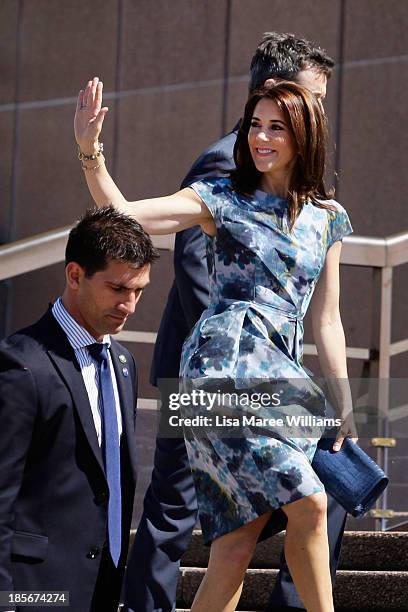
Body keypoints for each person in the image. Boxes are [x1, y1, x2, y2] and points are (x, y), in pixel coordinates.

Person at [74, 68, 356, 612]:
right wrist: (92, 152)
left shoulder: (328, 218)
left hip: (281, 379)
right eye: (256, 125)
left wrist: (342, 401)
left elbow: (329, 320)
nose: (261, 137)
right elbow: (127, 215)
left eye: (277, 127)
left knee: (235, 541)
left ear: (305, 136)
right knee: (313, 503)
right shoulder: (221, 197)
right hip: (221, 369)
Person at [0, 207, 158, 612]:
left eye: (139, 291)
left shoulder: (124, 364)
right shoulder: (21, 364)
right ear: (74, 275)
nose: (130, 305)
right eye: (118, 288)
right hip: (34, 592)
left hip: (103, 590)